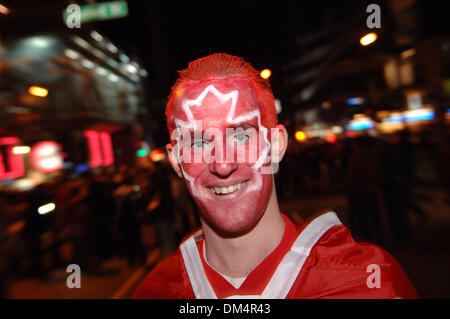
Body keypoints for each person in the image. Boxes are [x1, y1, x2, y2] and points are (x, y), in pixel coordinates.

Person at [132, 53, 418, 299]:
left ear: (277, 145)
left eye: (242, 135)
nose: (222, 164)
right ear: (177, 161)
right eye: (197, 142)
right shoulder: (155, 292)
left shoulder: (370, 282)